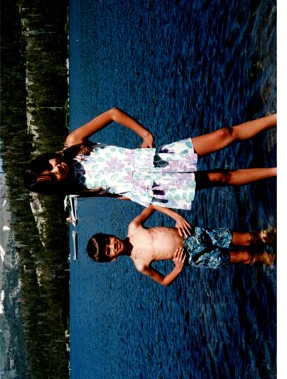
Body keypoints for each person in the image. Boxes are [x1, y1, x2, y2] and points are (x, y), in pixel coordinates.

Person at [23, 107, 276, 212]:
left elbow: (112, 114)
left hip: (156, 159)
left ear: (47, 158)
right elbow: (119, 195)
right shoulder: (77, 190)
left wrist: (144, 134)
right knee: (221, 177)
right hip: (155, 187)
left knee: (223, 134)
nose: (57, 169)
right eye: (53, 177)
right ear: (56, 186)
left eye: (49, 166)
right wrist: (158, 205)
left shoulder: (74, 142)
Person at [86, 205, 276, 286]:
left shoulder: (134, 227)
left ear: (110, 235)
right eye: (109, 251)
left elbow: (153, 205)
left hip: (193, 234)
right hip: (193, 257)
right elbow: (164, 281)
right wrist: (177, 267)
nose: (112, 246)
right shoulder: (140, 264)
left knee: (247, 239)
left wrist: (176, 217)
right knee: (245, 257)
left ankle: (269, 236)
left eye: (108, 241)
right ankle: (269, 258)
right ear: (112, 259)